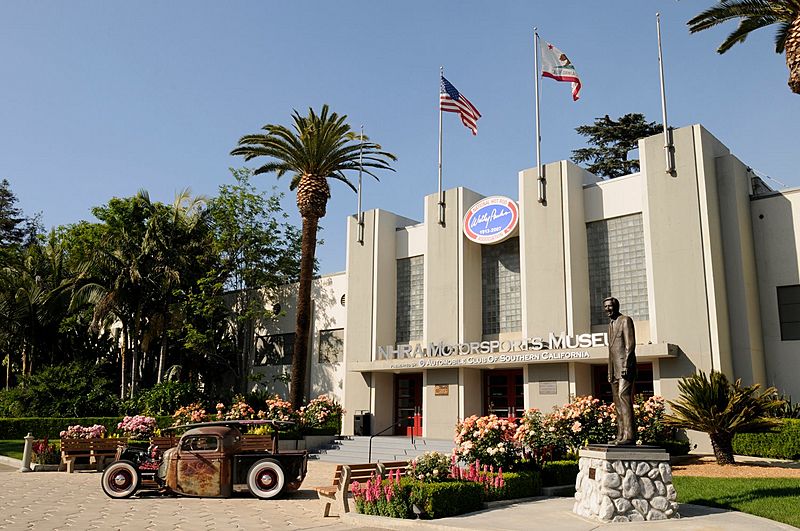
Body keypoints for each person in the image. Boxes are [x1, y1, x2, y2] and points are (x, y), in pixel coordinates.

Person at [604, 296, 637, 445]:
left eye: (609, 306)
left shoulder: (625, 320)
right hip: (615, 369)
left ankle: (629, 437)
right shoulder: (610, 325)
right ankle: (620, 436)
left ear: (616, 306)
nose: (607, 309)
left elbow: (630, 345)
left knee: (624, 397)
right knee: (617, 403)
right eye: (605, 307)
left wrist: (626, 365)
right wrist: (610, 370)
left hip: (625, 368)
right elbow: (611, 351)